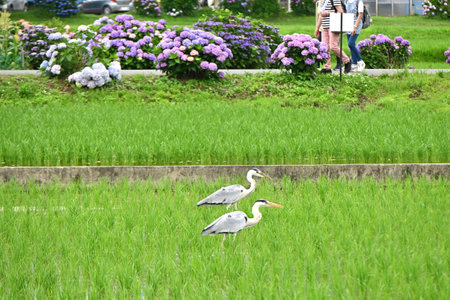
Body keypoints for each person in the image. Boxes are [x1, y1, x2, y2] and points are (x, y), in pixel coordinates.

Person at [314, 0, 352, 74]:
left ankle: (347, 61)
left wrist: (327, 14)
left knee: (333, 47)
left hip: (333, 26)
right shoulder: (324, 1)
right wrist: (317, 28)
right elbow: (321, 15)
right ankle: (327, 68)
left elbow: (340, 12)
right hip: (325, 27)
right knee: (325, 48)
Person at [345, 0, 366, 72]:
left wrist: (355, 26)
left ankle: (360, 61)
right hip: (348, 24)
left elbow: (360, 15)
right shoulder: (347, 1)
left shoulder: (359, 2)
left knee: (350, 43)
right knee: (351, 45)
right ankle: (354, 64)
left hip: (356, 25)